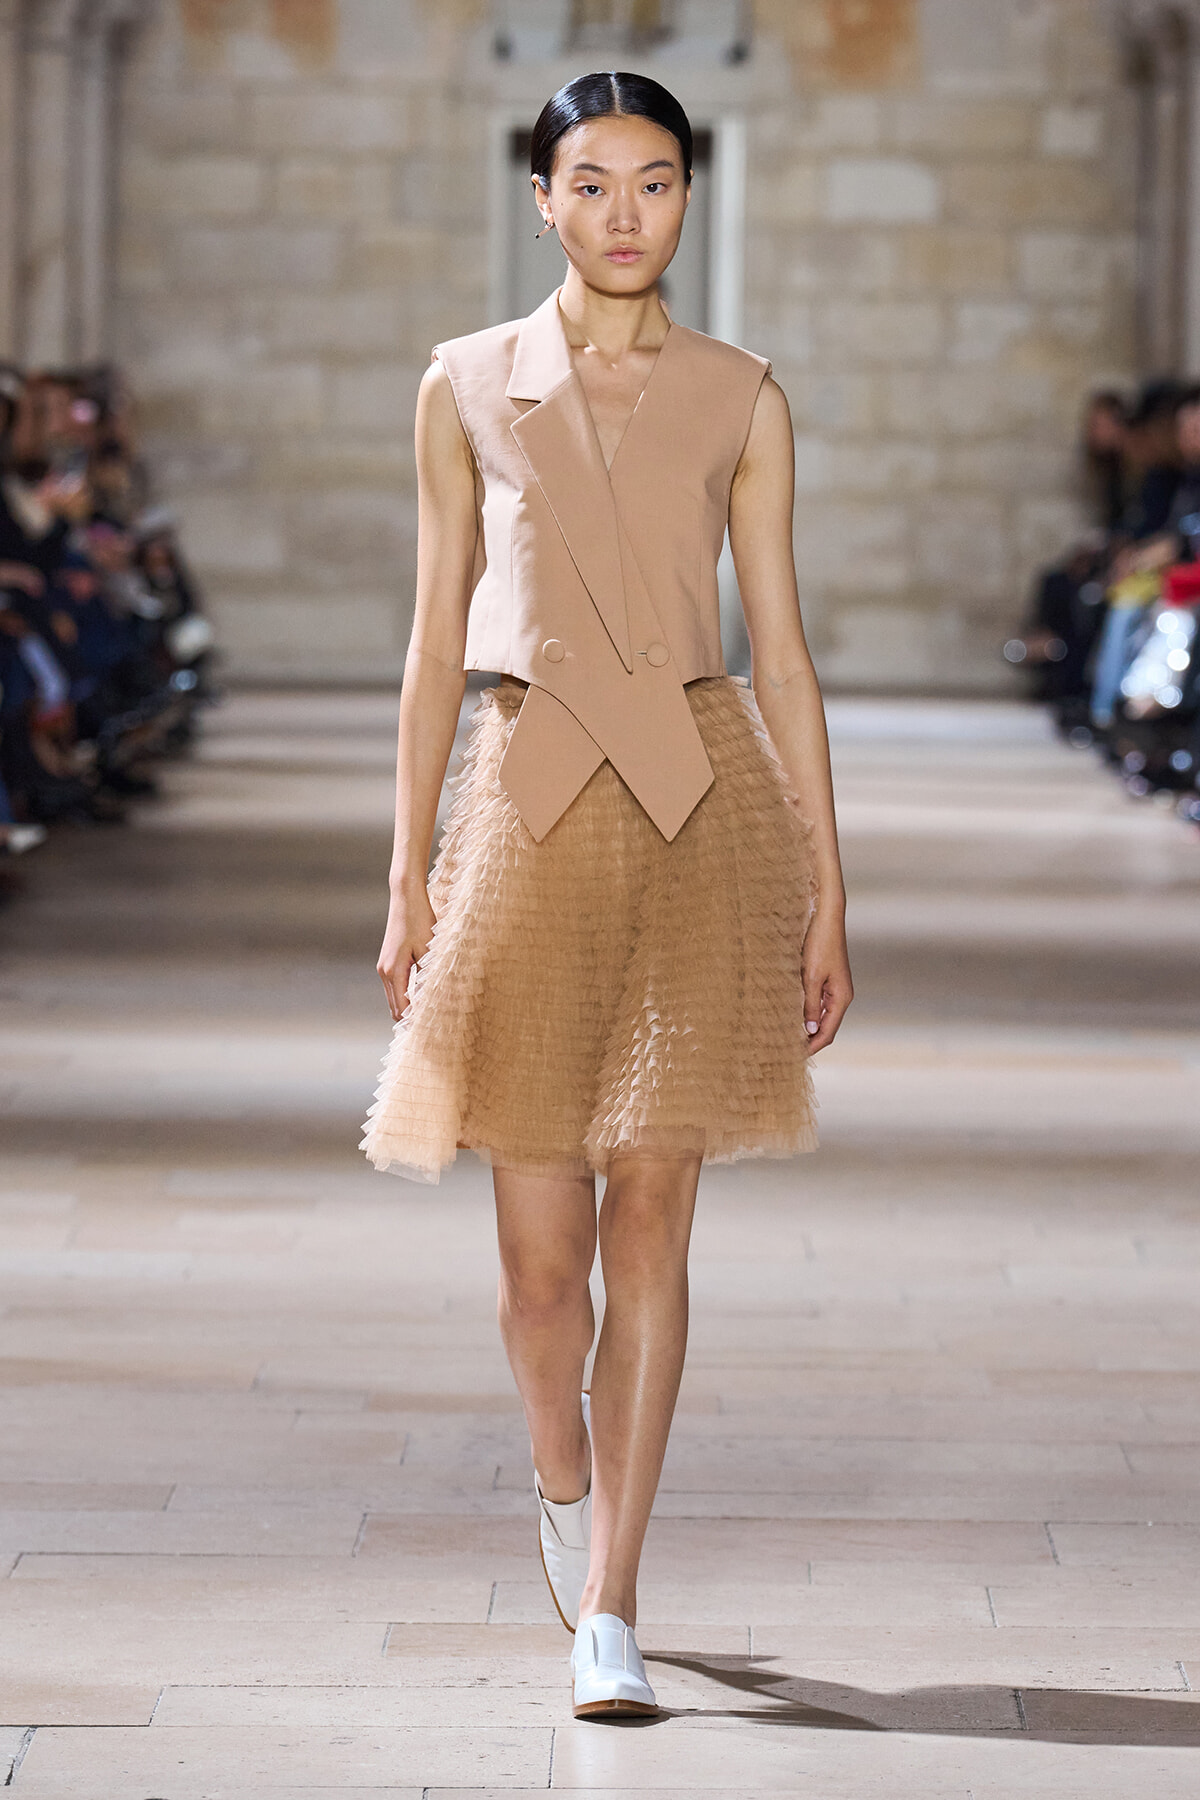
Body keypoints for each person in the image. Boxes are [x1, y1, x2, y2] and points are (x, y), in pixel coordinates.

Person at [361, 71, 852, 1720]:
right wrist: (405, 873)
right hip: (520, 804)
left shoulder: (744, 397)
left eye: (655, 182)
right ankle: (561, 1489)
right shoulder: (463, 386)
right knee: (534, 1268)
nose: (624, 211)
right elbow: (435, 639)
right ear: (543, 198)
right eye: (592, 182)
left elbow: (781, 648)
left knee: (654, 1211)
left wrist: (827, 889)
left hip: (699, 809)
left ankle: (617, 1600)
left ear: (690, 200)